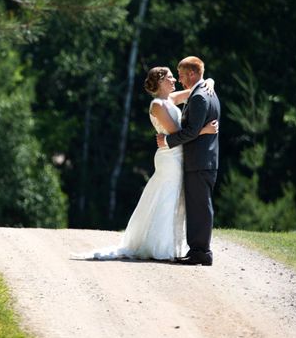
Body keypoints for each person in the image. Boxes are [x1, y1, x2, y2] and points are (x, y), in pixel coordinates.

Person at [71, 66, 217, 261]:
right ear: (160, 81)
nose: (174, 80)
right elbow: (176, 133)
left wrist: (210, 81)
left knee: (174, 199)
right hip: (169, 157)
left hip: (178, 155)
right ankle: (159, 247)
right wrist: (203, 130)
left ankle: (170, 246)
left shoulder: (170, 100)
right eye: (170, 78)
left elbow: (195, 89)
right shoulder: (157, 105)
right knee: (167, 198)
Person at [157, 56, 220, 266]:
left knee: (200, 207)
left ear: (192, 74)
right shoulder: (203, 91)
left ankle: (201, 252)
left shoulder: (200, 97)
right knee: (197, 206)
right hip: (202, 161)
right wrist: (210, 80)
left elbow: (192, 132)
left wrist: (167, 140)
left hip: (200, 162)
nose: (181, 80)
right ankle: (197, 250)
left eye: (183, 76)